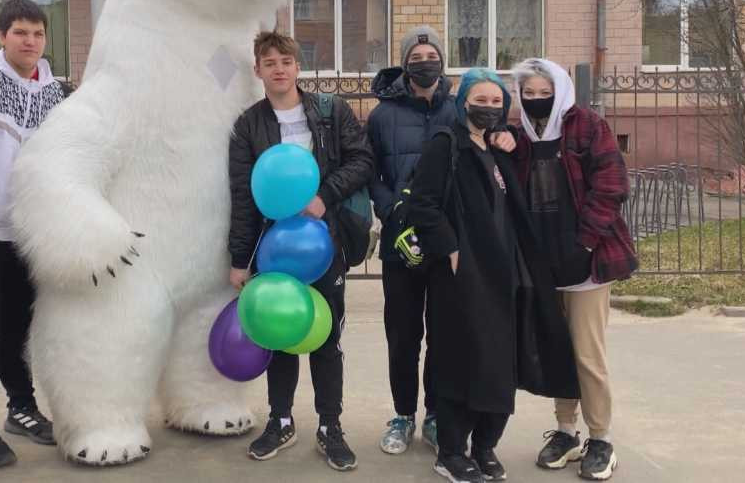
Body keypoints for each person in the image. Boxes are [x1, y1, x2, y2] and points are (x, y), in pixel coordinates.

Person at [404, 68, 578, 483]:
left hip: (506, 276)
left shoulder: (500, 149)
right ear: (463, 102)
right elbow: (422, 205)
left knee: (500, 364)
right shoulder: (446, 146)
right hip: (463, 275)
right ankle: (450, 451)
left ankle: (484, 446)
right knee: (459, 361)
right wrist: (450, 247)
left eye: (496, 101)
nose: (488, 108)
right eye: (479, 100)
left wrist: (511, 141)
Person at [228, 31, 374, 472]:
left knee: (327, 338)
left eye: (285, 61)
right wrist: (239, 259)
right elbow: (242, 194)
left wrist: (324, 196)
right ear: (258, 70)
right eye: (269, 62)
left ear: (297, 66)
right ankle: (281, 419)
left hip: (322, 241)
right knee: (281, 335)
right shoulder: (248, 125)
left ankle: (330, 426)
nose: (278, 68)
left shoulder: (330, 111)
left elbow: (362, 159)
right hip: (275, 249)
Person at [501, 58, 638, 481]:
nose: (538, 101)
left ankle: (601, 438)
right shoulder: (518, 135)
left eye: (545, 93)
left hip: (586, 261)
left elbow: (612, 186)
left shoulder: (588, 126)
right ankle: (566, 431)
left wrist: (585, 242)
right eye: (530, 94)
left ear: (560, 91)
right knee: (556, 348)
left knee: (587, 353)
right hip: (542, 263)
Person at [0, 0, 63, 467]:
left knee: (22, 330)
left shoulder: (58, 93)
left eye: (38, 34)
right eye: (21, 32)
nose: (30, 42)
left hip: (34, 233)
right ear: (2, 36)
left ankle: (22, 407)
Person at [367, 26, 456, 455]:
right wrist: (392, 214)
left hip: (443, 242)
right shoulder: (383, 115)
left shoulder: (457, 111)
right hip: (398, 243)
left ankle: (436, 416)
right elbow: (370, 172)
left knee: (443, 334)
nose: (426, 62)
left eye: (431, 54)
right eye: (417, 56)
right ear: (406, 63)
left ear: (442, 60)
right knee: (403, 334)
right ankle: (403, 415)